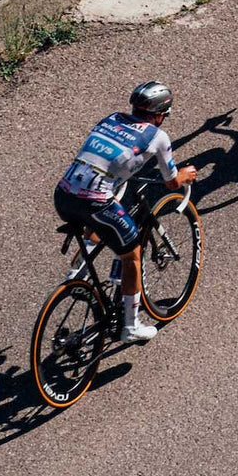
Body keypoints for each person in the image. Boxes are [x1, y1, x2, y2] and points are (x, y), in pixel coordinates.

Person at [52, 81, 197, 343]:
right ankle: (131, 327)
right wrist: (185, 175)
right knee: (132, 254)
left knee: (102, 218)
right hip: (95, 200)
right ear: (160, 113)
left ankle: (78, 274)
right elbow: (171, 183)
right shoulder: (157, 136)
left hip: (63, 194)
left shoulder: (111, 119)